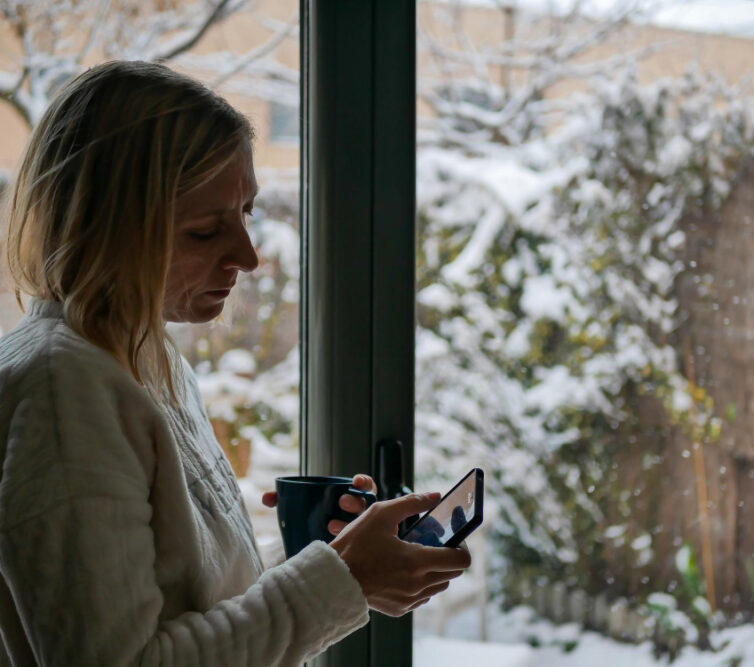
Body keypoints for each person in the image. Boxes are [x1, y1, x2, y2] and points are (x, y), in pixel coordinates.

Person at [0, 60, 470, 665]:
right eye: (204, 231)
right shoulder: (64, 393)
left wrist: (328, 564)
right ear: (105, 228)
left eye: (245, 213)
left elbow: (178, 614)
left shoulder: (140, 361)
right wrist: (343, 579)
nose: (248, 257)